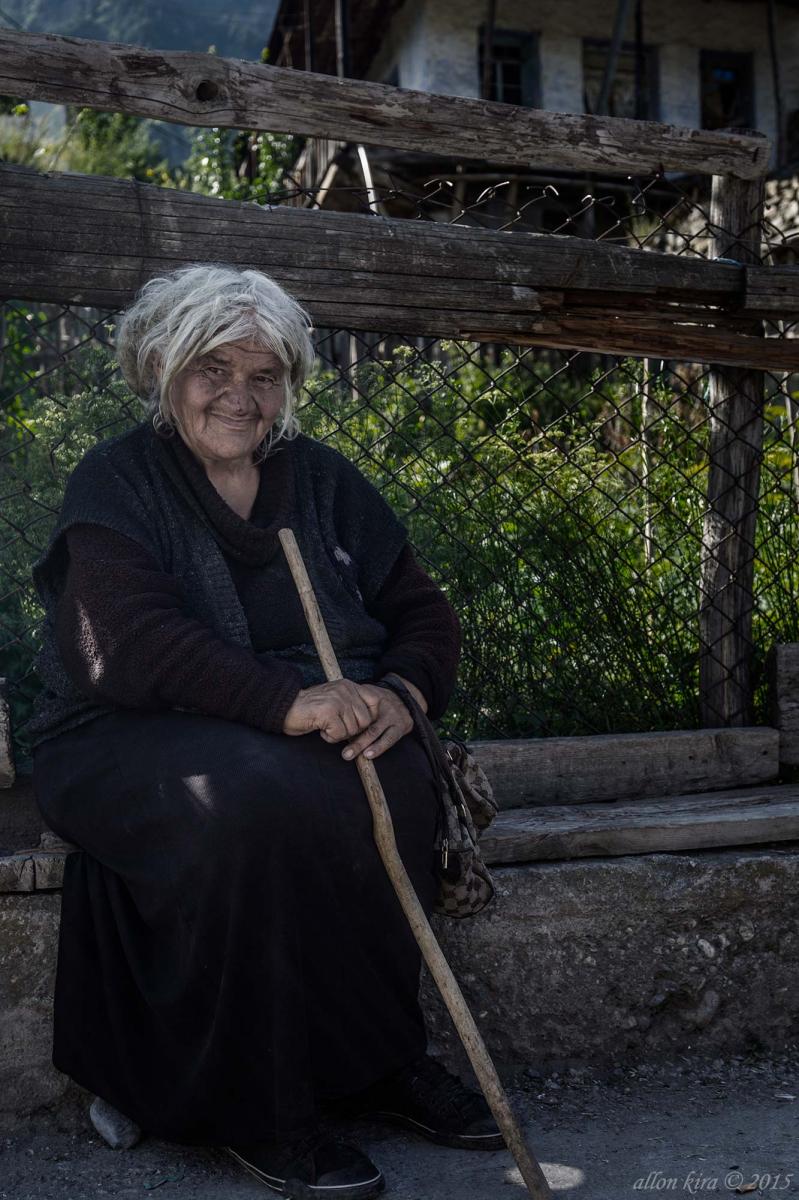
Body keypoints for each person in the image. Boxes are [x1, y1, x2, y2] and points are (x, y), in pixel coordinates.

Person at [22, 263, 503, 1198]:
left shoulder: (319, 480)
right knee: (251, 802)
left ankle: (375, 1061)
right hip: (119, 733)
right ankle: (258, 1107)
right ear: (161, 368)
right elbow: (128, 645)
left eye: (264, 374)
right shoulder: (118, 480)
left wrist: (400, 693)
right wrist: (289, 702)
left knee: (393, 778)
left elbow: (422, 613)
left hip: (284, 731)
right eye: (213, 368)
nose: (238, 396)